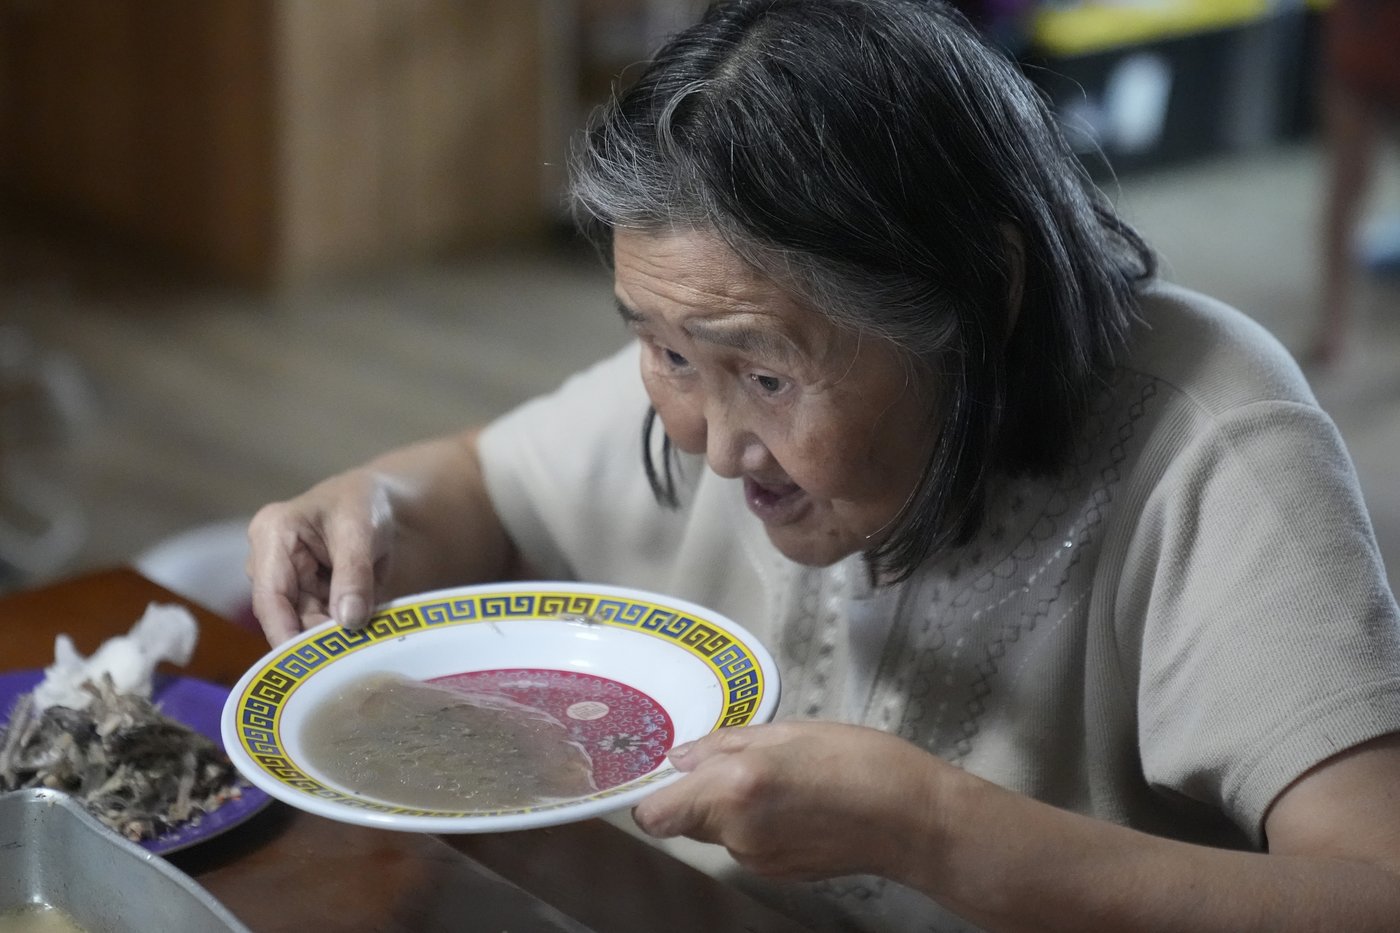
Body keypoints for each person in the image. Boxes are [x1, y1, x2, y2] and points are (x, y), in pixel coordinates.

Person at [246, 1, 1400, 930]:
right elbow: (479, 486)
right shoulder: (716, 340)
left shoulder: (1211, 439)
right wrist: (374, 508)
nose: (707, 440)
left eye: (765, 377)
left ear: (978, 299)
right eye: (657, 352)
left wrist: (936, 832)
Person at [1308, 0, 1400, 365]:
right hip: (1360, 49)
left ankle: (1333, 328)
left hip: (1361, 44)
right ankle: (1333, 327)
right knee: (1346, 185)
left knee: (1345, 190)